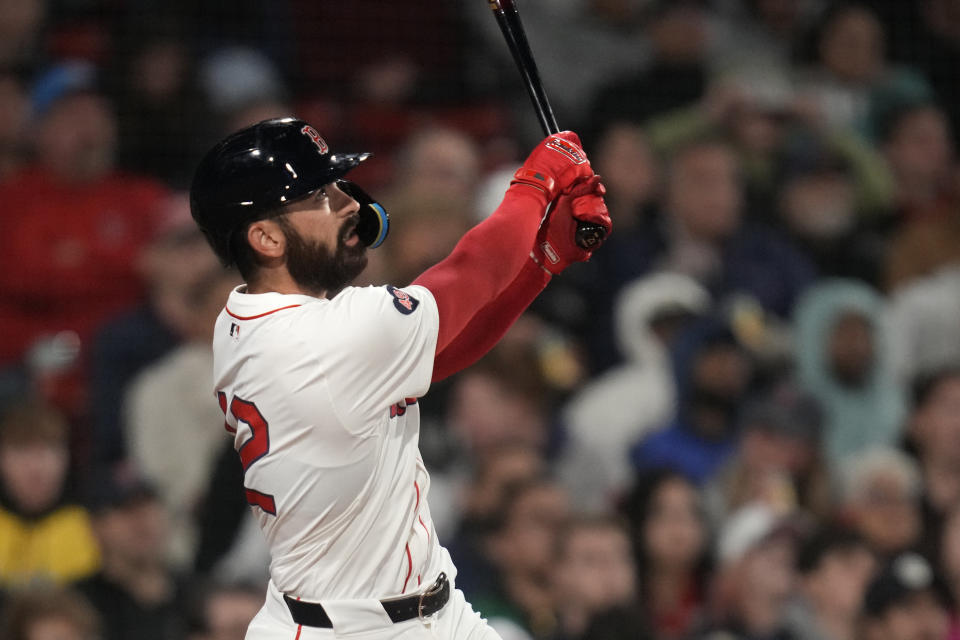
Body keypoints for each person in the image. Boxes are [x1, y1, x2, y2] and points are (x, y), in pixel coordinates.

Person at [188, 117, 611, 639]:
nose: (350, 204)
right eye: (321, 196)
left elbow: (442, 352)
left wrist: (543, 259)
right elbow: (471, 272)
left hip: (428, 609)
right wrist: (539, 178)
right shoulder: (317, 339)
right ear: (267, 237)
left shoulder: (250, 318)